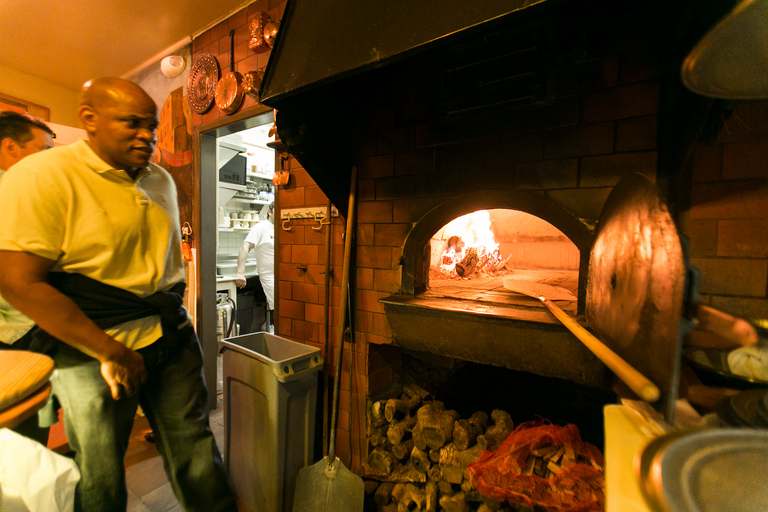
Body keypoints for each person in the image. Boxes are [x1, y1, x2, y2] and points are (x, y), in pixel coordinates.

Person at [0, 78, 235, 512]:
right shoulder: (41, 176)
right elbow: (18, 282)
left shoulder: (160, 179)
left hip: (170, 335)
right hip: (91, 349)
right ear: (89, 120)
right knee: (102, 471)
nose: (147, 135)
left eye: (153, 127)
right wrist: (110, 351)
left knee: (197, 451)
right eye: (132, 123)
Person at [0, 111, 56, 444]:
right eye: (43, 150)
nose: (52, 160)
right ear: (10, 147)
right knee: (25, 438)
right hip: (21, 329)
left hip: (15, 328)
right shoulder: (19, 189)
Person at [235, 202, 275, 330]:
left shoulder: (284, 226)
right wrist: (240, 272)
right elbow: (245, 247)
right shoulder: (261, 227)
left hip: (285, 275)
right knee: (279, 309)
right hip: (269, 276)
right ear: (269, 212)